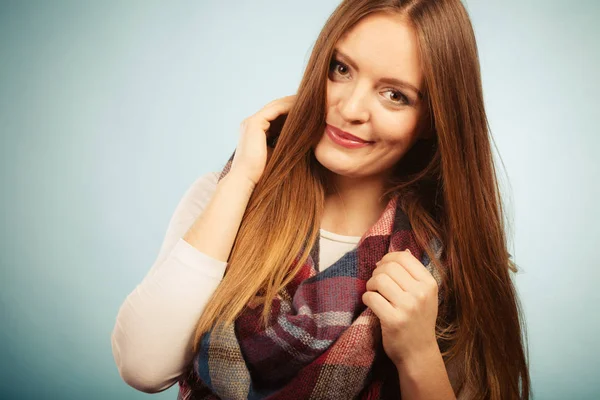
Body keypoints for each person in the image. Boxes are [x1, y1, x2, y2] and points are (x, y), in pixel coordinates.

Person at [111, 0, 531, 398]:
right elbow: (143, 367)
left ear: (431, 120)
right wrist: (242, 178)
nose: (350, 108)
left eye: (394, 95)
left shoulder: (447, 265)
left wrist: (417, 355)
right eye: (341, 69)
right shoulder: (224, 199)